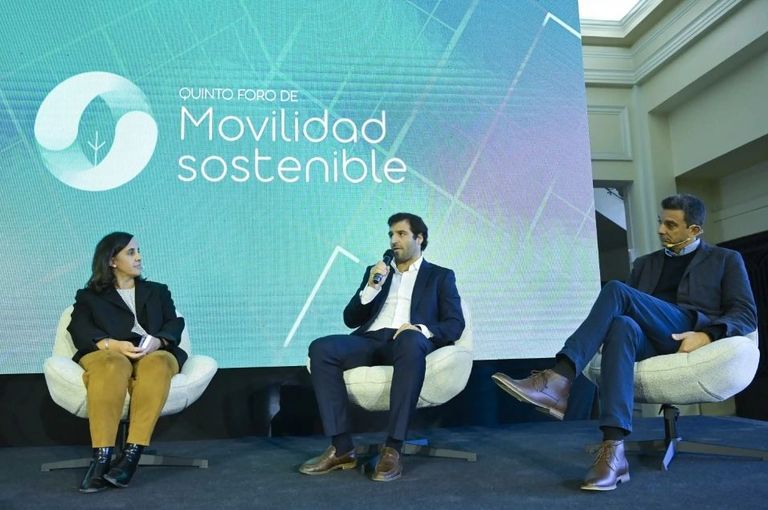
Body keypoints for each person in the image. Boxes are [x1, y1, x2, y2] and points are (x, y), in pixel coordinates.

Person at [492, 193, 757, 491]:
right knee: (620, 325)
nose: (661, 230)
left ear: (694, 230)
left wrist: (707, 334)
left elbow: (745, 313)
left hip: (686, 331)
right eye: (660, 222)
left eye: (671, 225)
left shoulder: (725, 259)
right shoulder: (645, 264)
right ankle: (613, 450)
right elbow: (626, 311)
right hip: (649, 338)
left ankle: (559, 378)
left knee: (616, 290)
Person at [299, 212, 465, 481]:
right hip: (370, 341)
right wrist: (371, 288)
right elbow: (350, 319)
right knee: (321, 348)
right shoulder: (377, 272)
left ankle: (393, 448)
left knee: (410, 340)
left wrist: (420, 329)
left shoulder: (440, 276)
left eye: (401, 234)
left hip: (407, 340)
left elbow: (455, 324)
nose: (393, 240)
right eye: (391, 235)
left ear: (419, 238)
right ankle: (341, 448)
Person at [68, 232, 187, 493]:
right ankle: (101, 459)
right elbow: (79, 328)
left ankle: (131, 455)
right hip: (110, 353)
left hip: (152, 353)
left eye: (138, 251)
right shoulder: (89, 296)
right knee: (113, 364)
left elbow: (174, 323)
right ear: (112, 260)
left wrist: (159, 341)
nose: (139, 257)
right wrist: (112, 345)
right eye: (131, 252)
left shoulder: (158, 291)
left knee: (158, 363)